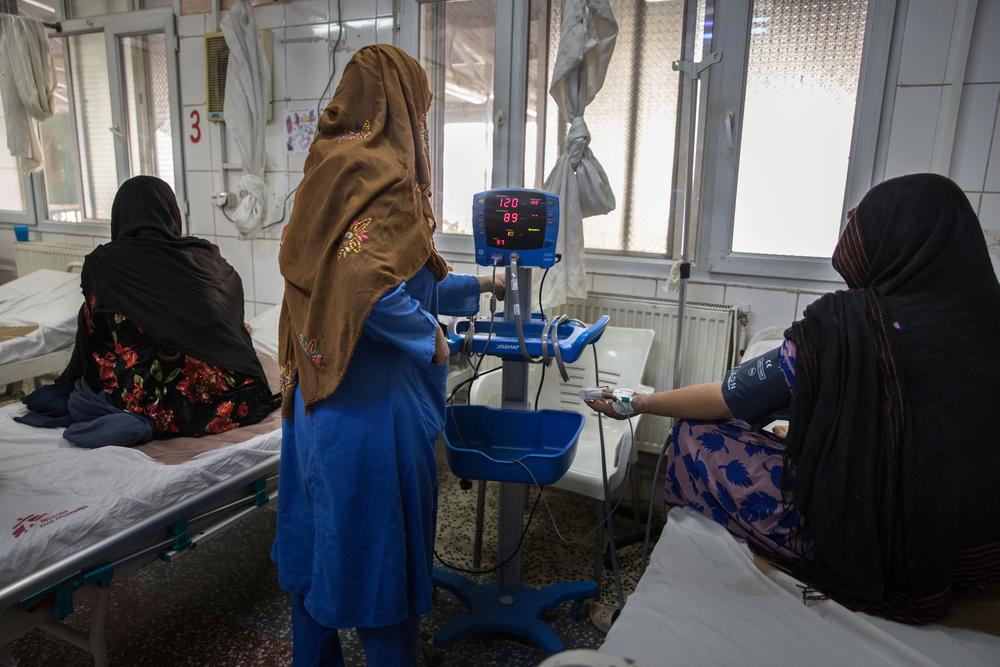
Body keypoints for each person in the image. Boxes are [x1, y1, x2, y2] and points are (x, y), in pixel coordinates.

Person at [587, 173, 1000, 623]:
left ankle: (703, 590)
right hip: (973, 543)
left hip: (869, 538)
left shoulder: (845, 333)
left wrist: (638, 402)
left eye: (861, 220)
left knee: (694, 437)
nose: (850, 224)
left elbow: (728, 398)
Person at [271, 45, 503, 666]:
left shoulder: (325, 173)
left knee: (319, 550)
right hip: (375, 421)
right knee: (380, 567)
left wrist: (482, 285)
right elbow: (367, 292)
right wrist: (434, 340)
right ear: (402, 108)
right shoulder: (390, 186)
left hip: (317, 401)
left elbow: (394, 279)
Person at [17, 176, 276, 446]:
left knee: (98, 359)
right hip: (223, 391)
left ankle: (138, 419)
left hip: (141, 396)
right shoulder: (204, 257)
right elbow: (230, 309)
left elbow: (94, 334)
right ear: (171, 212)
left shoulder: (104, 264)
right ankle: (143, 419)